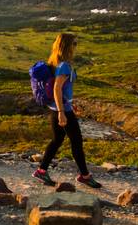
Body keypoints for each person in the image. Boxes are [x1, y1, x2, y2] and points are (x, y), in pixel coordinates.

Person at [34, 32, 101, 188]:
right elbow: (57, 88)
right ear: (67, 46)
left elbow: (62, 90)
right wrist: (62, 112)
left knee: (57, 140)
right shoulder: (64, 65)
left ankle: (41, 171)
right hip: (61, 110)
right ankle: (84, 176)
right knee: (76, 141)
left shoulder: (56, 62)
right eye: (74, 44)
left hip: (59, 107)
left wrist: (70, 103)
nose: (76, 47)